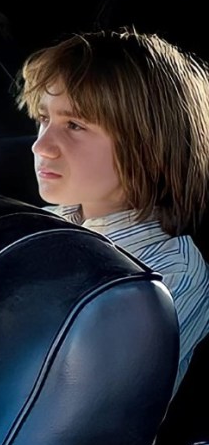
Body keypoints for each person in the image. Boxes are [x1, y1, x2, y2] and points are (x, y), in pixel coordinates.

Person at [20, 29, 209, 387]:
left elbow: (95, 408)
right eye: (44, 119)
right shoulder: (44, 225)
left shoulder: (166, 278)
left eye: (74, 125)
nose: (41, 146)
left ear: (146, 145)